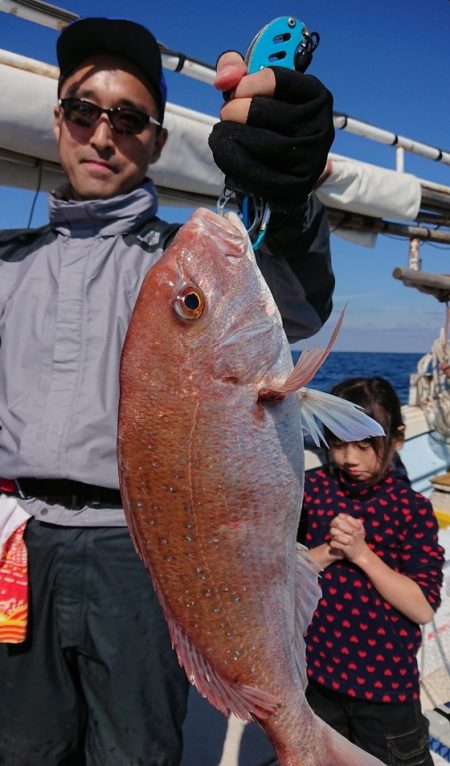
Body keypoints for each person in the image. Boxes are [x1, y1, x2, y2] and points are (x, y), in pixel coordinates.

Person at [0, 15, 336, 766]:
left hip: (145, 557)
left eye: (128, 119)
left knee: (136, 750)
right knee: (20, 746)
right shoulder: (6, 261)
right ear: (58, 120)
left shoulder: (187, 260)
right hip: (18, 544)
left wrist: (286, 190)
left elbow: (295, 302)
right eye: (83, 111)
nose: (102, 134)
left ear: (155, 139)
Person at [298, 376, 445, 766]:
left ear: (396, 439)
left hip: (386, 695)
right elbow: (282, 575)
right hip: (315, 680)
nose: (349, 458)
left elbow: (422, 607)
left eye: (365, 446)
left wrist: (361, 554)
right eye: (339, 443)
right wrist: (330, 550)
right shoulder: (311, 490)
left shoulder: (410, 508)